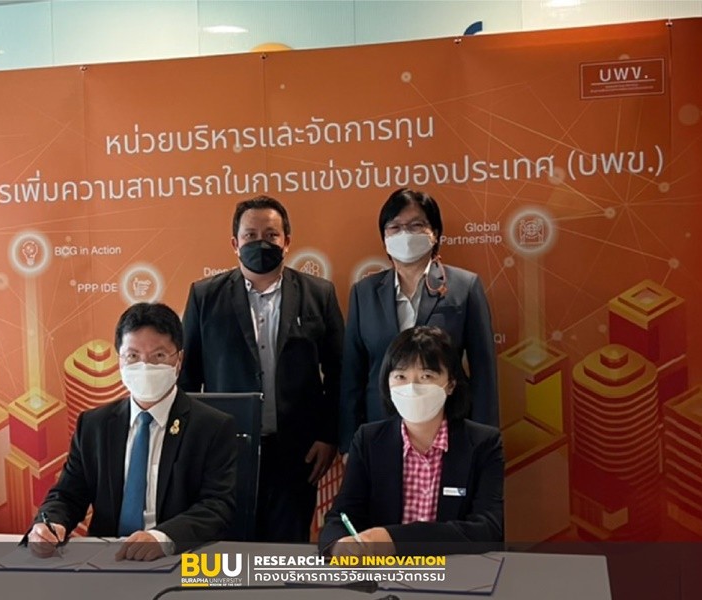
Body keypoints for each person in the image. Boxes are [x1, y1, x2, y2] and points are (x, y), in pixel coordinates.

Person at [180, 195, 344, 543]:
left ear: (287, 241)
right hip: (226, 452)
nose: (261, 243)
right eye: (250, 235)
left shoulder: (319, 294)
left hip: (298, 454)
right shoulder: (204, 297)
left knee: (286, 554)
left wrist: (329, 436)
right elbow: (188, 379)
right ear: (234, 243)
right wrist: (193, 446)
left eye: (271, 235)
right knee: (229, 553)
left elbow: (339, 373)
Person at [26, 302, 236, 560]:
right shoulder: (94, 425)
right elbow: (68, 495)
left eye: (159, 356)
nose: (145, 366)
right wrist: (50, 524)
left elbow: (217, 507)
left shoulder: (212, 427)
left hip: (178, 560)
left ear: (179, 360)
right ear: (120, 360)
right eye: (133, 356)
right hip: (105, 561)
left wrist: (162, 538)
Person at [319, 326, 504, 557]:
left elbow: (487, 529)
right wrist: (340, 545)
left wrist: (393, 540)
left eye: (426, 376)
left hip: (456, 571)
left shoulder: (483, 443)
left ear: (450, 384)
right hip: (383, 574)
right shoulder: (368, 440)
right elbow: (340, 517)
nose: (412, 387)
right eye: (401, 376)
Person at [339, 187, 499, 453]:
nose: (405, 234)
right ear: (384, 237)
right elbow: (352, 377)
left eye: (416, 225)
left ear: (434, 233)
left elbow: (484, 372)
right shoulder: (364, 293)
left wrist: (485, 441)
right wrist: (349, 444)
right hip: (380, 430)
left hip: (449, 428)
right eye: (395, 227)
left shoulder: (465, 286)